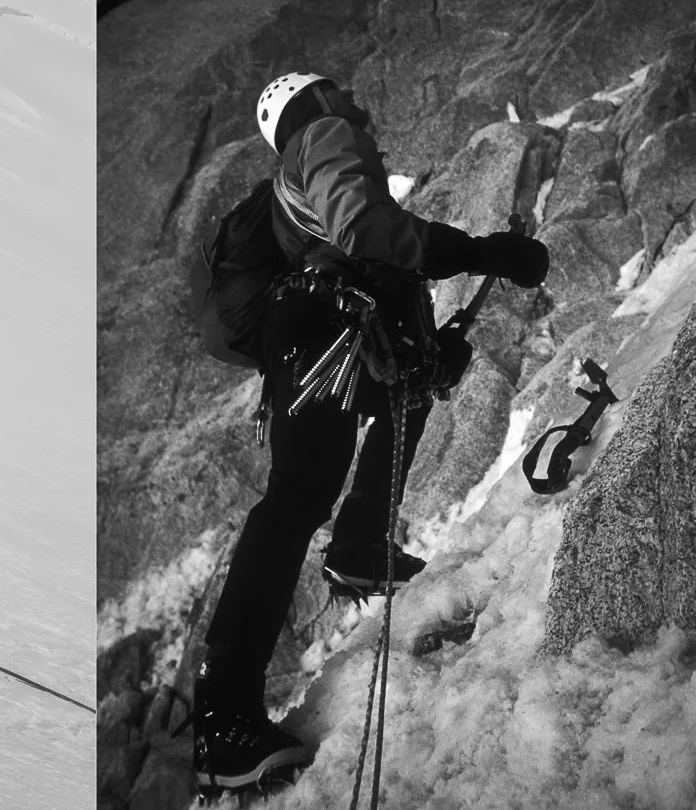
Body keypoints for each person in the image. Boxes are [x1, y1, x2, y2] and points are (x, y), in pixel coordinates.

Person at [191, 72, 550, 793]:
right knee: (294, 500)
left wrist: (423, 348)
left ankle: (359, 546)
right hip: (317, 330)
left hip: (315, 331)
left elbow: (367, 260)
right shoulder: (322, 134)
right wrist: (483, 252)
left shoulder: (304, 176)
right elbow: (364, 230)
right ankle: (224, 720)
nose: (355, 98)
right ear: (312, 100)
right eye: (339, 91)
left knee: (389, 411)